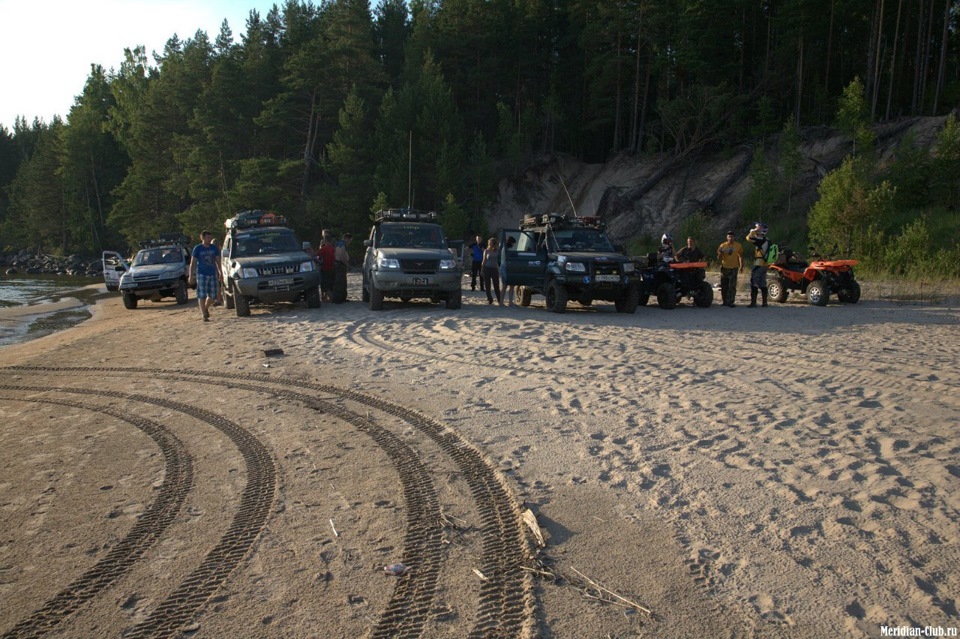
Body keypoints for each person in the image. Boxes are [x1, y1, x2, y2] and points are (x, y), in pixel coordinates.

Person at [188, 230, 221, 322]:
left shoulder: (213, 248)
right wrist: (191, 276)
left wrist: (220, 272)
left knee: (213, 295)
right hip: (202, 274)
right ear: (202, 238)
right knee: (201, 295)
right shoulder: (198, 248)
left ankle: (206, 308)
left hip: (212, 273)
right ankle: (204, 315)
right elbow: (193, 263)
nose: (209, 239)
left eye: (210, 238)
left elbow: (218, 261)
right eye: (207, 238)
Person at [746, 222, 772, 307]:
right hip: (765, 264)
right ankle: (765, 303)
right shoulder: (767, 240)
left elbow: (748, 238)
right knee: (762, 283)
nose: (757, 230)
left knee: (754, 281)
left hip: (759, 264)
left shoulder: (761, 240)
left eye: (758, 229)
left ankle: (753, 303)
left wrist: (753, 231)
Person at [716, 230, 744, 307]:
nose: (730, 238)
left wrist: (741, 266)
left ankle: (731, 301)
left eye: (732, 236)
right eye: (729, 236)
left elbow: (740, 256)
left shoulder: (738, 245)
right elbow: (718, 257)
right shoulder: (722, 245)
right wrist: (720, 253)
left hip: (734, 268)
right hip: (725, 268)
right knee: (724, 285)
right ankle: (725, 301)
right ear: (727, 237)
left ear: (734, 237)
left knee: (732, 286)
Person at [481, 237, 503, 306]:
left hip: (494, 269)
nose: (489, 244)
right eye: (489, 243)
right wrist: (482, 270)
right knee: (487, 285)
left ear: (494, 243)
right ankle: (490, 299)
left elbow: (499, 261)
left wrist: (499, 270)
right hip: (487, 269)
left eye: (491, 243)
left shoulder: (497, 251)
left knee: (496, 285)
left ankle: (499, 300)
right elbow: (484, 261)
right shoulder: (486, 251)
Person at [318, 230, 336, 301]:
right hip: (332, 267)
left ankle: (331, 298)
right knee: (330, 284)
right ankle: (328, 297)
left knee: (324, 285)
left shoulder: (324, 248)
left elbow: (317, 254)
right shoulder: (332, 247)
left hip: (325, 267)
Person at [501, 236, 516, 306]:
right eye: (513, 243)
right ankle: (502, 302)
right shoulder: (506, 249)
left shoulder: (506, 248)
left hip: (507, 267)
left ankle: (510, 302)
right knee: (505, 285)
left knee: (511, 285)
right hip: (505, 267)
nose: (513, 245)